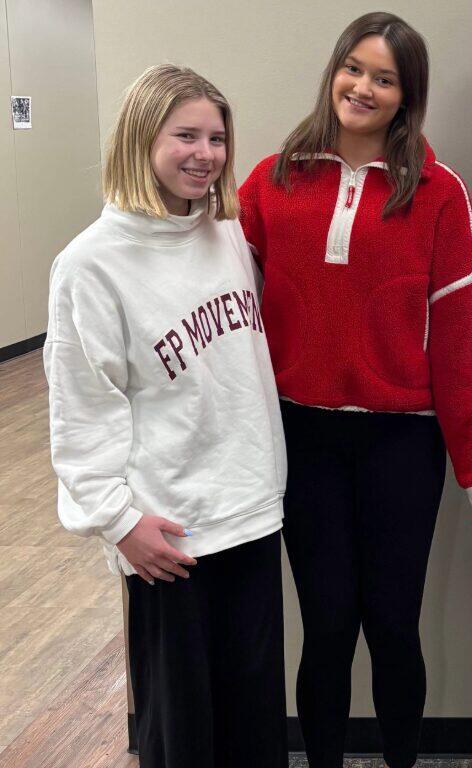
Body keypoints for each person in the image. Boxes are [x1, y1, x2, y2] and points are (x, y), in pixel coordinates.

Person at [238, 12, 472, 768]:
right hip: (303, 439)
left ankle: (400, 761)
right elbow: (225, 315)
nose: (363, 87)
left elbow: (466, 342)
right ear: (334, 71)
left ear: (405, 95)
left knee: (392, 624)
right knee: (325, 627)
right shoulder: (271, 181)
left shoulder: (440, 196)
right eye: (354, 68)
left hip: (402, 443)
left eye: (384, 78)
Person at [44, 64, 287, 767]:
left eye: (216, 137)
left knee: (254, 726)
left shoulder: (227, 236)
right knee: (181, 734)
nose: (205, 153)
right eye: (185, 134)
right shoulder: (90, 264)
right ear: (141, 138)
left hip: (250, 512)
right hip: (169, 534)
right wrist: (117, 522)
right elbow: (81, 410)